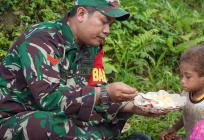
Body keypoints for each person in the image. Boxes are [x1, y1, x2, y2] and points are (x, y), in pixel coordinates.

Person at [0, 0, 161, 139]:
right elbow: (48, 99)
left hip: (62, 113)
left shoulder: (90, 47)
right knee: (49, 124)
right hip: (17, 118)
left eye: (110, 24)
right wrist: (103, 93)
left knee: (115, 116)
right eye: (104, 21)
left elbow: (83, 93)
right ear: (82, 14)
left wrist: (132, 106)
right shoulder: (42, 39)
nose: (107, 30)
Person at [160, 46, 204, 140]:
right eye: (181, 76)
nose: (182, 81)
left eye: (188, 77)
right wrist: (174, 128)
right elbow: (188, 116)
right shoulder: (186, 94)